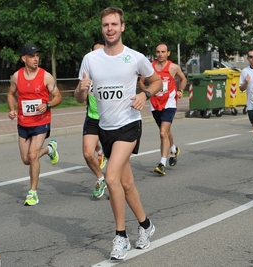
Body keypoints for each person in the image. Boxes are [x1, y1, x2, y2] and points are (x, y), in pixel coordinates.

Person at [75, 7, 162, 261]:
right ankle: (146, 226)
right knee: (126, 183)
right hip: (105, 128)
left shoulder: (134, 57)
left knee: (111, 178)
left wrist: (145, 94)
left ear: (122, 27)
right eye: (105, 25)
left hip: (129, 124)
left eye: (114, 24)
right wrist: (81, 89)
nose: (110, 29)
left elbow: (157, 81)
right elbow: (80, 97)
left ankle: (121, 237)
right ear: (102, 28)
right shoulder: (90, 59)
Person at [7, 44, 62, 206]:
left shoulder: (46, 76)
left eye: (37, 55)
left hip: (41, 121)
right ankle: (50, 149)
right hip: (23, 122)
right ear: (24, 58)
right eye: (32, 56)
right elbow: (10, 94)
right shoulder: (16, 77)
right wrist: (12, 109)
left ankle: (33, 192)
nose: (36, 59)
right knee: (26, 159)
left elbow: (58, 96)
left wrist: (48, 105)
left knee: (32, 155)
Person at [138, 42, 187, 175]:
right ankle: (173, 149)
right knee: (164, 131)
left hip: (169, 102)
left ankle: (162, 163)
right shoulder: (150, 67)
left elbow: (183, 79)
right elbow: (141, 82)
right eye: (158, 52)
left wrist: (181, 90)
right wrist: (146, 92)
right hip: (155, 103)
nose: (160, 54)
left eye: (163, 52)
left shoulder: (173, 67)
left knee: (162, 133)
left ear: (168, 53)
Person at [74, 40, 108, 198]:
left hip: (111, 120)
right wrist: (81, 89)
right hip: (93, 118)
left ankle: (117, 184)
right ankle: (101, 179)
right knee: (88, 154)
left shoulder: (113, 70)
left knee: (117, 160)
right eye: (95, 52)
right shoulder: (87, 71)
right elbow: (79, 99)